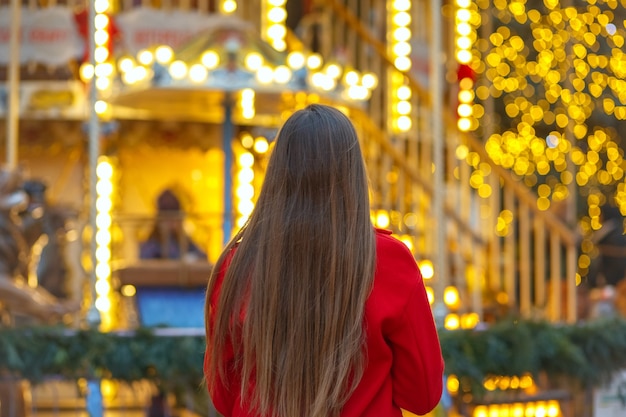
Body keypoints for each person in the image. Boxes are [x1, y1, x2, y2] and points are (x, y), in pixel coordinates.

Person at [204, 104, 444, 417]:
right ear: (353, 174)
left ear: (277, 173)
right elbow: (422, 394)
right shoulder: (388, 261)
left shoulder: (237, 264)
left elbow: (223, 394)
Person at [139, 189, 206, 261]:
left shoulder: (184, 240)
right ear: (159, 220)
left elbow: (202, 255)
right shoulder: (152, 244)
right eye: (167, 219)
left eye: (174, 219)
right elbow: (145, 258)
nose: (172, 223)